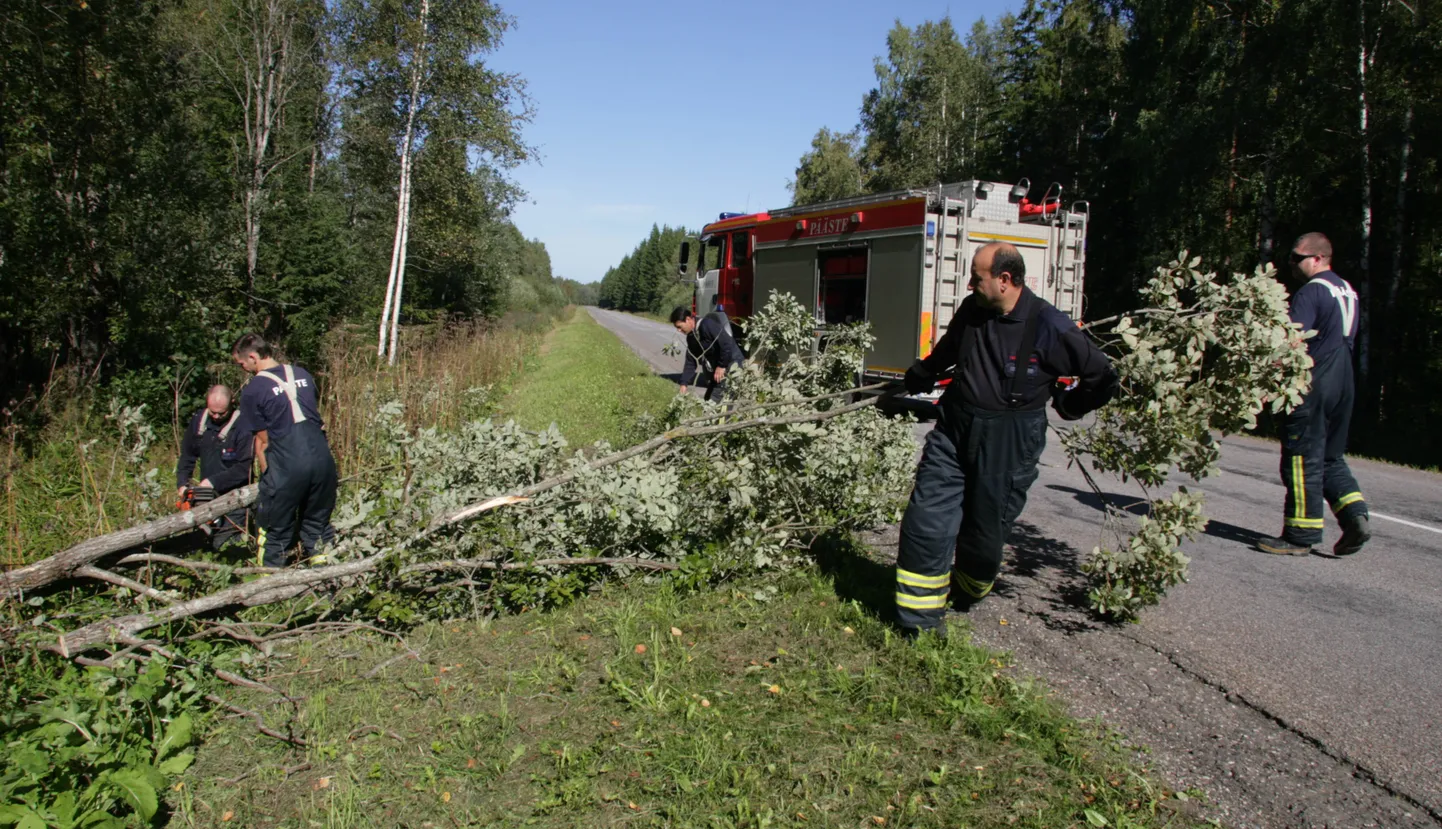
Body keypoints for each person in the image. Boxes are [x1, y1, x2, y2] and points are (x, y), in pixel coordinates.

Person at [896, 242, 1118, 637]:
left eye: (976, 277)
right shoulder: (973, 310)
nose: (968, 284)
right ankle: (918, 624)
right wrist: (923, 372)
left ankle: (967, 590)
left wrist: (1069, 406)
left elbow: (1102, 376)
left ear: (1004, 280)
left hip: (1009, 441)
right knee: (926, 519)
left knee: (984, 535)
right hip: (954, 428)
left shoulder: (1051, 326)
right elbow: (950, 348)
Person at [1257, 232, 1370, 557]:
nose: (1292, 264)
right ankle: (1354, 517)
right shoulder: (1347, 290)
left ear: (1318, 258)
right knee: (1331, 457)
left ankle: (1300, 536)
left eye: (1297, 258)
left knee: (1301, 457)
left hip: (1315, 380)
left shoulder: (1312, 292)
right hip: (1344, 381)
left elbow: (1291, 341)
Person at [232, 333, 338, 568]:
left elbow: (264, 439)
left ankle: (268, 593)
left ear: (252, 357)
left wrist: (269, 476)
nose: (243, 369)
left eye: (242, 364)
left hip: (288, 464)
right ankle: (328, 583)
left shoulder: (253, 390)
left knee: (273, 531)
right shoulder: (303, 375)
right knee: (318, 527)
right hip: (323, 461)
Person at [175, 384, 253, 551]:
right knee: (201, 545)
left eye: (222, 413)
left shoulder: (243, 426)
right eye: (213, 412)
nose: (216, 416)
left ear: (232, 403)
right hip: (205, 499)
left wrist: (212, 482)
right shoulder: (199, 421)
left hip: (236, 499)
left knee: (225, 546)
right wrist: (182, 484)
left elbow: (244, 468)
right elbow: (187, 457)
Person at [671, 306, 745, 401]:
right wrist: (684, 383)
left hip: (732, 363)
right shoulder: (691, 337)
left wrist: (722, 366)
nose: (678, 330)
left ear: (688, 319)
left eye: (679, 327)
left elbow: (726, 343)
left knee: (717, 400)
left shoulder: (707, 325)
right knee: (707, 399)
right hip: (720, 367)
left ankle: (722, 415)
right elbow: (691, 361)